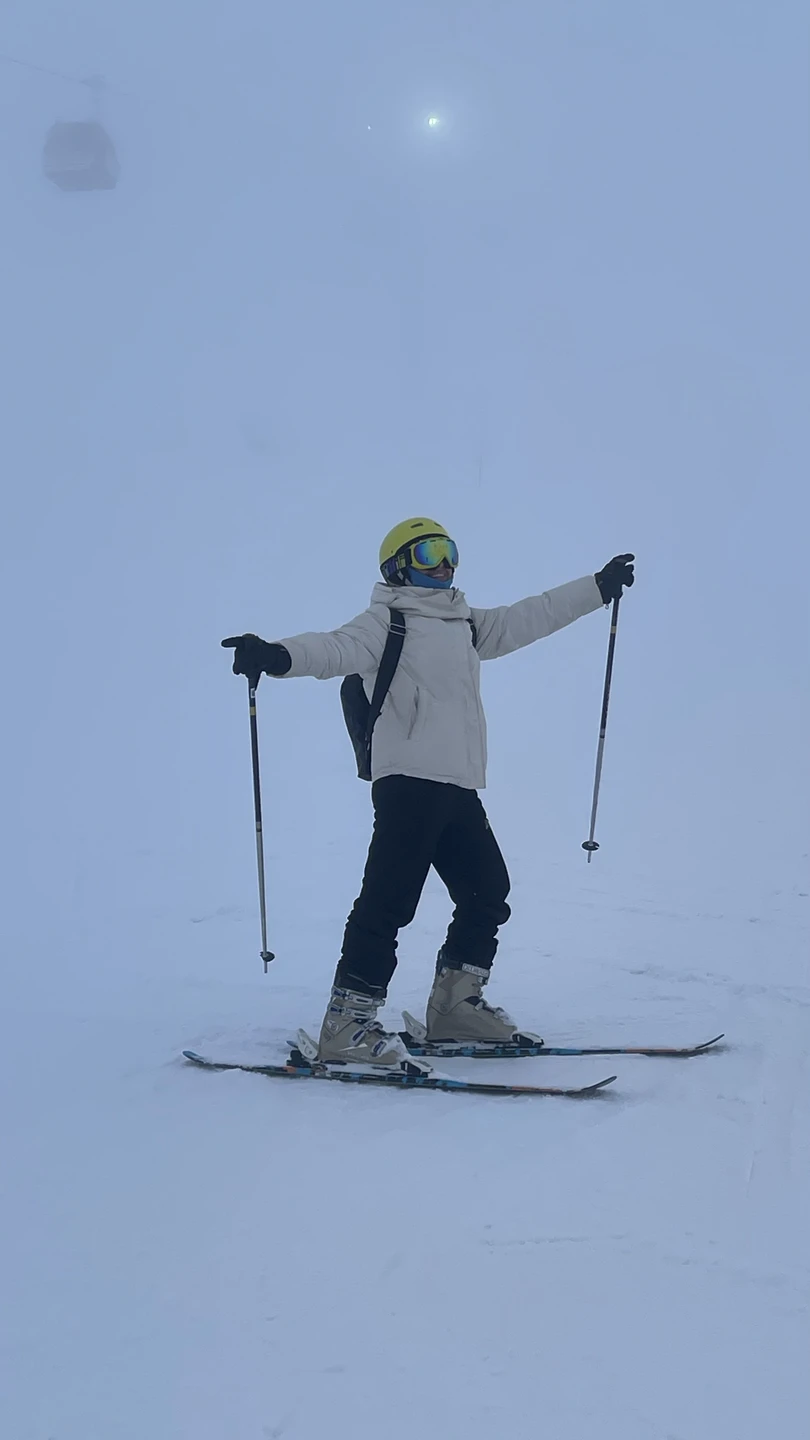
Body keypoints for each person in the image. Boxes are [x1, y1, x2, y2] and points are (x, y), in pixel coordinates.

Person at [223, 518, 634, 1070]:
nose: (444, 564)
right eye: (429, 553)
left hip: (456, 784)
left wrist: (596, 588)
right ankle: (346, 1022)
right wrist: (274, 655)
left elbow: (528, 616)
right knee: (390, 900)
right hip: (408, 784)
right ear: (398, 565)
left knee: (488, 889)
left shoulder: (465, 624)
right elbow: (331, 650)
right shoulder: (384, 622)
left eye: (450, 552)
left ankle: (454, 1007)